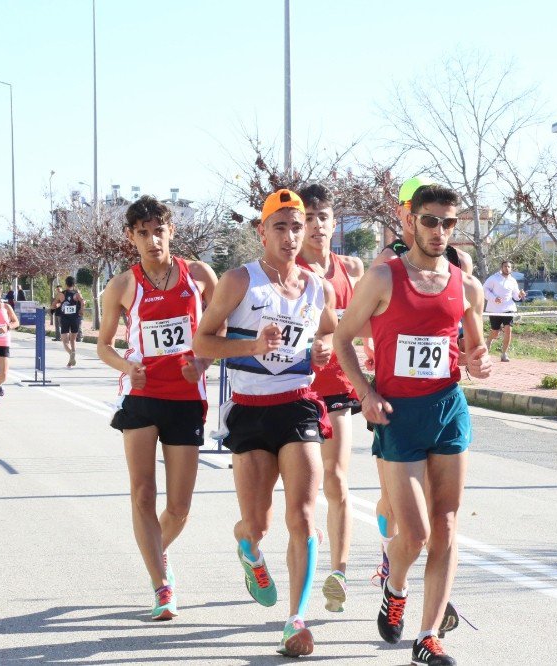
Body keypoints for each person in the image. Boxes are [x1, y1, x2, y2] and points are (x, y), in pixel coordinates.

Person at [335, 184, 492, 666]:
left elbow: (473, 348)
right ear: (409, 222)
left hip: (447, 409)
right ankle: (395, 589)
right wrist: (367, 393)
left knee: (446, 525)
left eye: (449, 223)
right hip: (397, 416)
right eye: (431, 221)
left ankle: (428, 636)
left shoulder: (465, 285)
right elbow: (342, 340)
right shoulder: (383, 277)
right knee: (417, 532)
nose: (440, 231)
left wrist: (477, 362)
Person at [194, 189, 336, 657]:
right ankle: (247, 546)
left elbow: (329, 335)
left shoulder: (319, 287)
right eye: (281, 226)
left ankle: (295, 621)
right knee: (258, 524)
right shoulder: (239, 281)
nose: (292, 236)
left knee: (304, 516)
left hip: (297, 406)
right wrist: (250, 347)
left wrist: (323, 351)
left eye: (298, 227)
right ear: (262, 230)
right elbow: (202, 344)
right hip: (250, 411)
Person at [96, 195, 218, 622]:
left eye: (158, 231)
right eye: (142, 233)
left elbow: (219, 333)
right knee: (143, 493)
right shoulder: (123, 285)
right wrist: (128, 367)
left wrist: (201, 362)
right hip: (143, 398)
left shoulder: (200, 275)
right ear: (131, 237)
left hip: (187, 399)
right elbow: (103, 346)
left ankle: (153, 551)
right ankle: (161, 585)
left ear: (172, 231)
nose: (152, 240)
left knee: (179, 507)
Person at [293, 183, 365, 613]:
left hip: (337, 385)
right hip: (293, 390)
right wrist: (309, 346)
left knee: (337, 479)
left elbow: (358, 326)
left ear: (334, 223)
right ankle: (306, 544)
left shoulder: (350, 271)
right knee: (302, 493)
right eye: (310, 218)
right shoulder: (285, 270)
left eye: (324, 217)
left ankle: (338, 571)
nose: (317, 225)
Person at [483, 261, 525, 362]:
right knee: (495, 333)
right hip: (495, 310)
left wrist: (520, 295)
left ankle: (504, 354)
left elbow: (515, 296)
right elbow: (484, 289)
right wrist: (494, 298)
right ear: (501, 267)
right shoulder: (493, 278)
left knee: (508, 330)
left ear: (511, 269)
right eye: (505, 266)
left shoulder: (513, 281)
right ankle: (488, 341)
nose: (507, 268)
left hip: (509, 309)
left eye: (509, 267)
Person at [53, 277, 85, 367]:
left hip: (65, 319)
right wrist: (81, 310)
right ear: (74, 284)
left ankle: (71, 354)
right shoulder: (77, 294)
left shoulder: (61, 294)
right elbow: (83, 302)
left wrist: (58, 305)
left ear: (66, 284)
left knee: (65, 341)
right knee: (73, 340)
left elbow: (54, 305)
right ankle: (71, 359)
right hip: (75, 318)